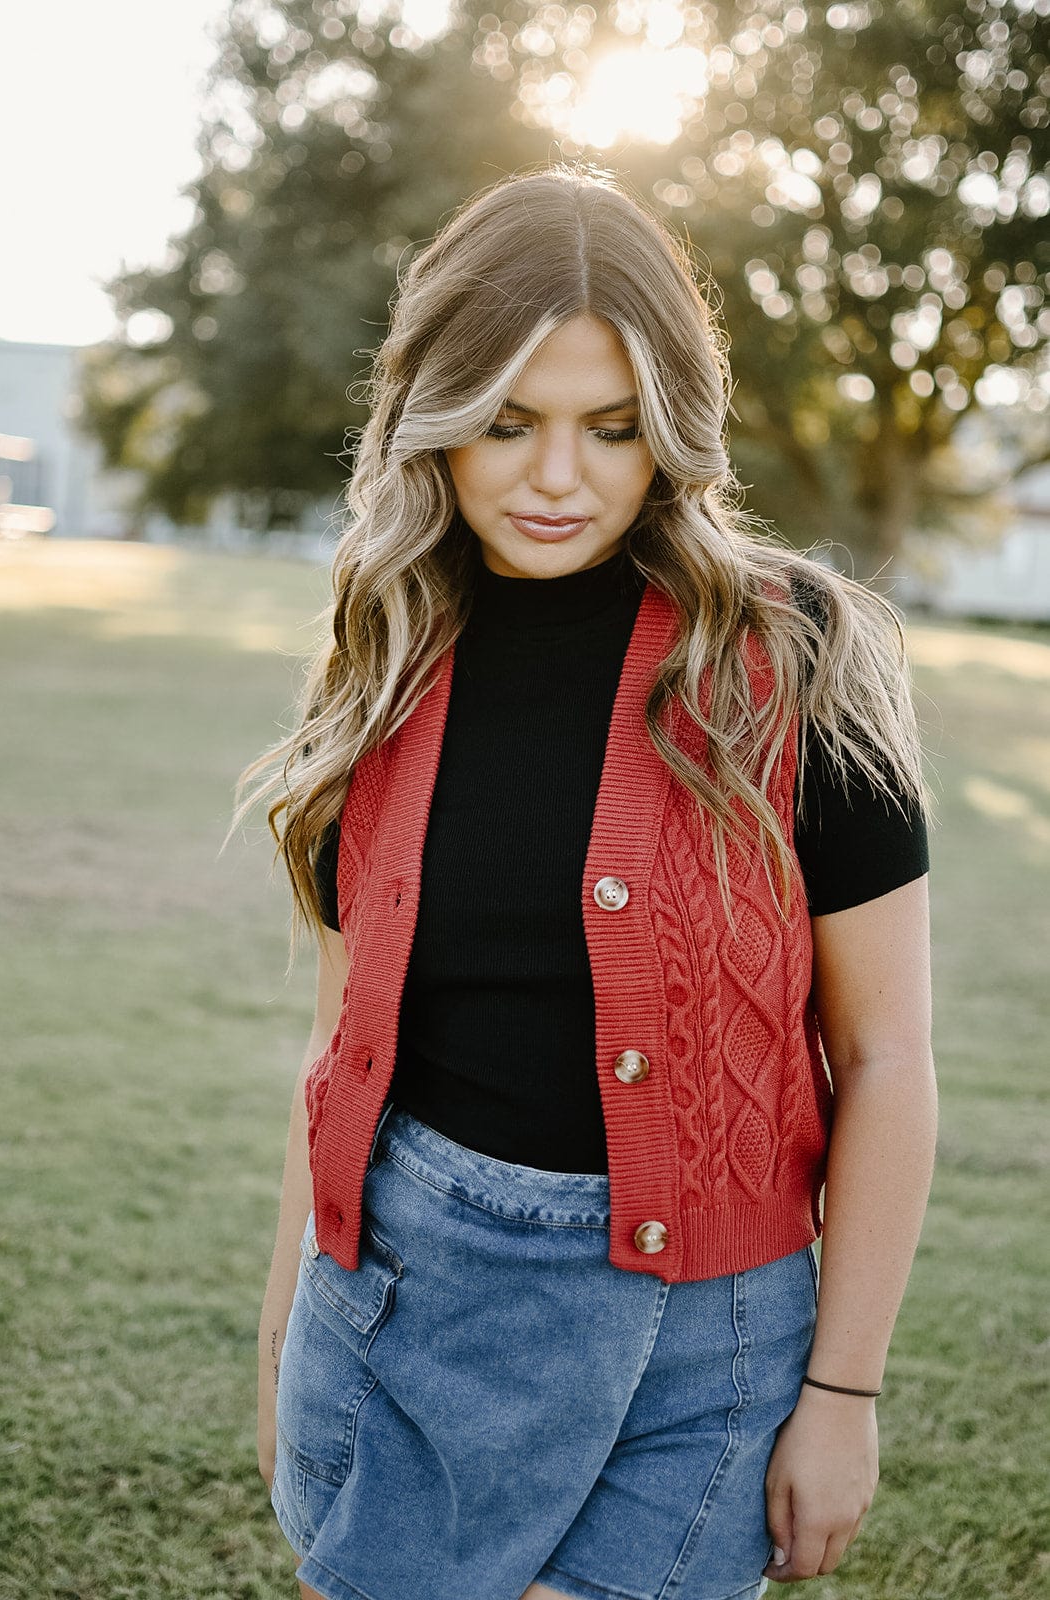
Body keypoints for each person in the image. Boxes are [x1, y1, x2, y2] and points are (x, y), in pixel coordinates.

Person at [230, 164, 937, 1600]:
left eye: (613, 430)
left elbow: (886, 1057)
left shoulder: (794, 664)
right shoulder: (384, 658)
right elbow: (339, 1050)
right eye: (507, 423)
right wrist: (290, 1331)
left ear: (673, 428)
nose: (559, 477)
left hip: (707, 1358)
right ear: (430, 416)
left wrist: (845, 1397)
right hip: (397, 1323)